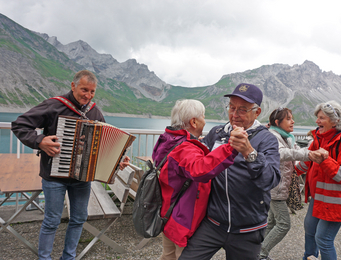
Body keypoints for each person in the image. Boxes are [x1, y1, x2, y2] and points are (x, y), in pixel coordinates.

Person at [11, 70, 129, 260]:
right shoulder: (53, 105)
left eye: (92, 92)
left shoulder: (94, 111)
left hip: (81, 178)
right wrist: (40, 140)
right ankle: (44, 258)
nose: (88, 96)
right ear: (73, 86)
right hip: (54, 177)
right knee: (52, 221)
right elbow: (19, 125)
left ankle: (68, 257)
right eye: (84, 90)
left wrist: (118, 159)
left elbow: (107, 144)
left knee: (79, 219)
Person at [179, 83, 281, 260]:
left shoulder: (267, 140)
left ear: (257, 112)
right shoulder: (216, 133)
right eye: (231, 108)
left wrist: (249, 152)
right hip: (212, 223)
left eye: (242, 109)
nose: (234, 114)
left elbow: (270, 180)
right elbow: (197, 162)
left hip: (248, 229)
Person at [153, 99, 245, 260]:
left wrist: (197, 144)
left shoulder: (169, 139)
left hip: (167, 213)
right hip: (182, 219)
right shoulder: (185, 148)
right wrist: (231, 147)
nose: (205, 120)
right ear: (193, 122)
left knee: (168, 256)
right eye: (203, 116)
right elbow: (199, 169)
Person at [295, 100, 341, 260]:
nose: (317, 121)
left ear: (335, 121)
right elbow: (306, 162)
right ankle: (309, 257)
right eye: (317, 117)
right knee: (310, 230)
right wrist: (290, 172)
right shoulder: (320, 138)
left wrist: (325, 161)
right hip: (319, 197)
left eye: (321, 118)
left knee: (324, 239)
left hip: (337, 201)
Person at [258, 107, 312, 260]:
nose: (293, 121)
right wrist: (309, 154)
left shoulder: (287, 137)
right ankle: (261, 254)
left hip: (279, 188)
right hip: (275, 189)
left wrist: (311, 149)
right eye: (288, 119)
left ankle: (256, 252)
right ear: (277, 122)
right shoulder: (273, 136)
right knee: (283, 224)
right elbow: (281, 153)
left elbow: (295, 152)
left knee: (271, 222)